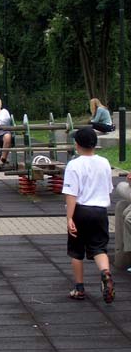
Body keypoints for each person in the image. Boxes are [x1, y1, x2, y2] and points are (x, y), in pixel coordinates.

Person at [62, 127, 115, 303]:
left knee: (77, 251)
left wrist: (70, 218)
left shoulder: (74, 165)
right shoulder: (105, 162)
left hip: (81, 210)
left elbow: (71, 194)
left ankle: (79, 288)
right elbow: (108, 189)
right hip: (100, 211)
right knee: (99, 248)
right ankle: (105, 273)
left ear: (77, 144)